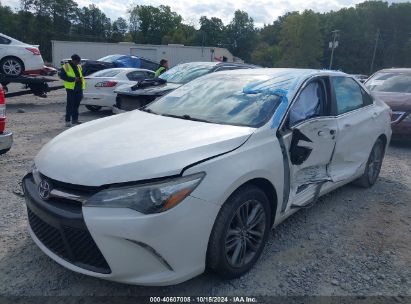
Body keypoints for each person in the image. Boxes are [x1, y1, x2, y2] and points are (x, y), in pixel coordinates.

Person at [59, 54, 85, 127]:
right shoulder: (67, 66)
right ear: (73, 60)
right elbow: (62, 76)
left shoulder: (79, 66)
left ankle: (75, 119)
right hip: (71, 89)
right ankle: (67, 121)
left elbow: (81, 75)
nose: (78, 63)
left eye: (79, 62)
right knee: (70, 105)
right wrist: (74, 79)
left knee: (76, 105)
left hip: (79, 88)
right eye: (77, 62)